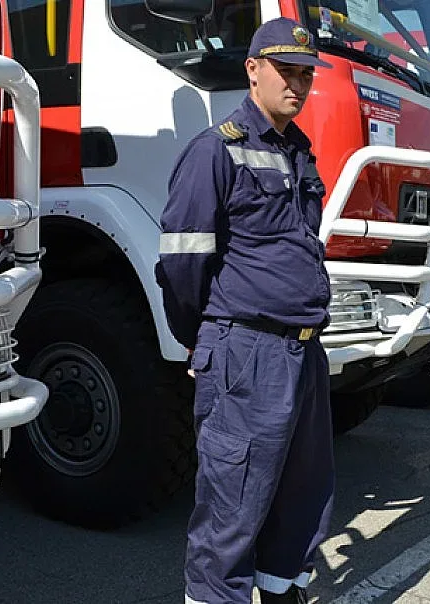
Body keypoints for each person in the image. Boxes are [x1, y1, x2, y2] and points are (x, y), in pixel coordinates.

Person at [155, 18, 334, 604]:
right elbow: (183, 261)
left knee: (300, 495)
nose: (298, 84)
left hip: (304, 351)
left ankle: (283, 591)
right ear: (252, 69)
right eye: (286, 71)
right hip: (247, 351)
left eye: (306, 73)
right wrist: (200, 338)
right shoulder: (217, 149)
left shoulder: (299, 152)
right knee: (233, 508)